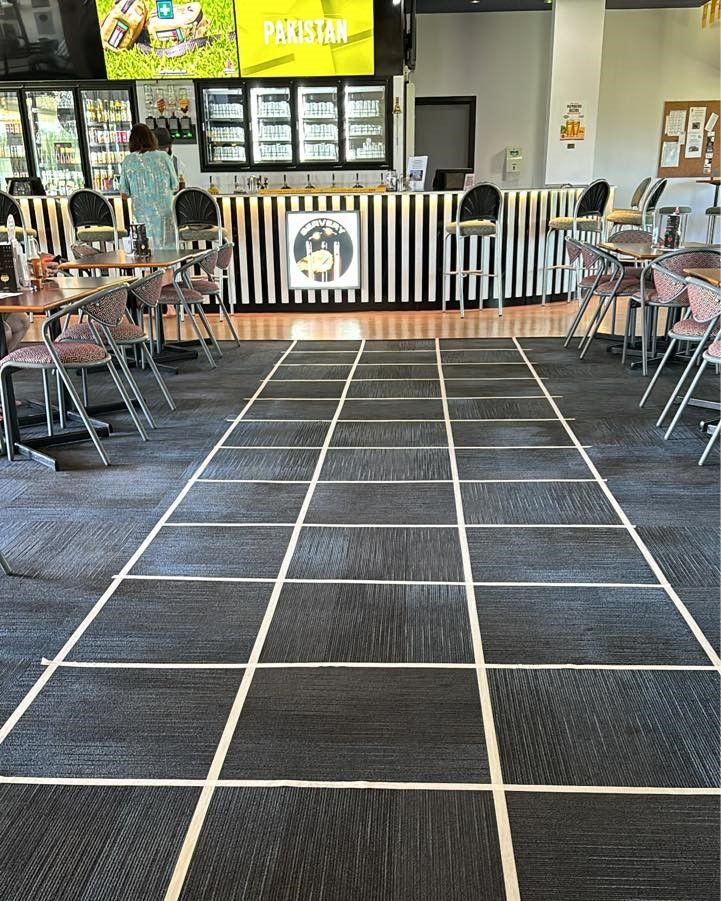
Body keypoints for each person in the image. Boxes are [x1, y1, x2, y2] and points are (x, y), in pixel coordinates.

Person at [119, 124, 178, 250]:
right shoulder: (164, 157)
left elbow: (124, 194)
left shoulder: (128, 161)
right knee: (168, 256)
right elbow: (175, 186)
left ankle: (148, 270)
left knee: (145, 255)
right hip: (165, 216)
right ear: (152, 138)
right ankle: (168, 270)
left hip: (141, 217)